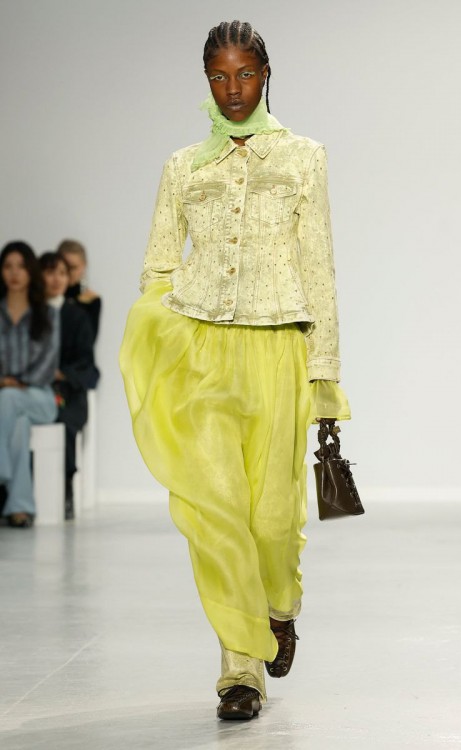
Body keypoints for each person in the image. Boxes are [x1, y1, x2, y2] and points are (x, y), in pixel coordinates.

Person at [120, 20, 351, 720]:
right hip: (202, 352)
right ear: (206, 81)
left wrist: (325, 377)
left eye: (245, 73)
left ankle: (280, 606)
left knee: (273, 518)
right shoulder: (183, 166)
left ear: (266, 73)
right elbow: (158, 263)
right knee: (217, 514)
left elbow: (318, 268)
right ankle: (240, 669)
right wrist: (166, 325)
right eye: (219, 76)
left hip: (277, 347)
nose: (233, 89)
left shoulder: (304, 158)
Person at [0, 241, 59, 528]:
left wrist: (17, 383)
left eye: (21, 267)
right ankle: (20, 508)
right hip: (6, 400)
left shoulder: (48, 314)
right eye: (8, 266)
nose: (14, 273)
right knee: (18, 426)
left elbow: (48, 364)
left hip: (40, 397)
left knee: (9, 399)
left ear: (30, 272)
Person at [40, 252, 96, 520]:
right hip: (36, 389)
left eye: (62, 273)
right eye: (50, 272)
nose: (56, 279)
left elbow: (86, 361)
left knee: (65, 424)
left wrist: (61, 374)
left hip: (69, 392)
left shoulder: (77, 316)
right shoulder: (30, 313)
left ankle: (65, 490)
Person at [57, 239, 101, 345]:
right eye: (65, 267)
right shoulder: (45, 297)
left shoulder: (91, 300)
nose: (68, 272)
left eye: (73, 267)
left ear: (84, 266)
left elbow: (89, 341)